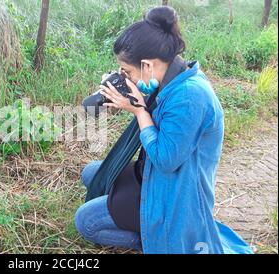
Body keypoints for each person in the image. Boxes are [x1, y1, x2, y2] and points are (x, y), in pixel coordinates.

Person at [74, 6, 253, 254]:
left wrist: (139, 111)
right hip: (150, 174)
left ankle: (158, 237)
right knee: (93, 174)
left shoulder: (189, 97)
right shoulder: (170, 77)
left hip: (174, 192)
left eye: (127, 71)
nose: (125, 77)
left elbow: (165, 160)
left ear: (147, 65)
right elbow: (153, 107)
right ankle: (137, 216)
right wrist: (124, 96)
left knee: (86, 221)